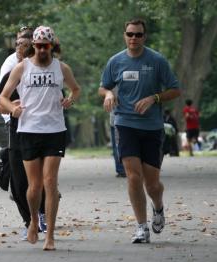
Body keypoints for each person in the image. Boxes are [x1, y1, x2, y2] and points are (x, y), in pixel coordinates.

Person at [98, 19, 180, 244]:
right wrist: (108, 94)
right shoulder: (115, 61)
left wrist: (154, 98)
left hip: (152, 127)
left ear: (145, 36)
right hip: (125, 124)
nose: (134, 38)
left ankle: (159, 207)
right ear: (124, 35)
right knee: (133, 177)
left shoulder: (157, 61)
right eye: (130, 34)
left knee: (152, 184)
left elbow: (175, 89)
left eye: (138, 35)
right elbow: (103, 86)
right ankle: (141, 227)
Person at [0, 25, 81, 250]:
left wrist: (69, 100)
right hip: (28, 131)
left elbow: (75, 89)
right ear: (33, 46)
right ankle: (34, 220)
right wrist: (12, 109)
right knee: (34, 186)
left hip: (54, 131)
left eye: (46, 46)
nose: (43, 50)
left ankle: (50, 235)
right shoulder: (21, 68)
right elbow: (3, 97)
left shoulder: (61, 68)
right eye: (39, 46)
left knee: (50, 182)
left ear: (52, 46)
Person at [0, 29, 47, 241]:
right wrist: (11, 108)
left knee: (40, 180)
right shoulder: (11, 73)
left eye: (26, 47)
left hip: (42, 132)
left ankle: (41, 219)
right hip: (17, 131)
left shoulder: (46, 71)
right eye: (18, 46)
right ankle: (29, 221)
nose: (21, 50)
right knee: (18, 182)